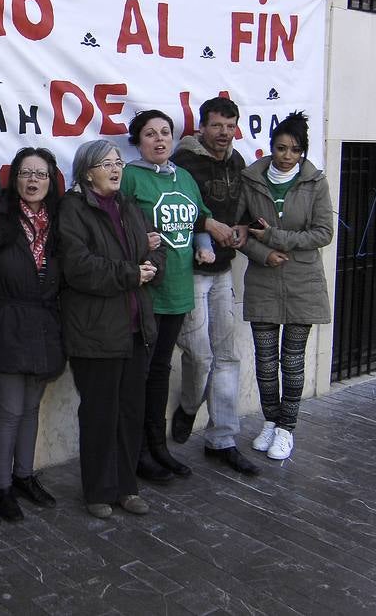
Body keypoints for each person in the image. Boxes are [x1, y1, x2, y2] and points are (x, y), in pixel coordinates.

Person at [121, 110, 235, 483]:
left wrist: (204, 244)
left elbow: (198, 217)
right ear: (138, 141)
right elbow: (113, 226)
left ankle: (158, 447)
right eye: (150, 134)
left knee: (159, 373)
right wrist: (138, 244)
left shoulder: (183, 176)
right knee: (140, 375)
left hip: (179, 291)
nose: (159, 140)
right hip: (146, 293)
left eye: (165, 133)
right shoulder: (129, 178)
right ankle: (137, 452)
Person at [56, 139, 167, 518]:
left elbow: (154, 248)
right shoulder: (73, 209)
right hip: (96, 331)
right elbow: (79, 267)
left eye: (118, 161)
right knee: (101, 414)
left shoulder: (127, 206)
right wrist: (131, 273)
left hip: (136, 329)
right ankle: (98, 492)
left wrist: (151, 265)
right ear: (88, 172)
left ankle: (126, 487)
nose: (116, 168)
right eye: (107, 163)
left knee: (130, 413)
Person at [169, 97, 259, 475]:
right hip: (191, 272)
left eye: (230, 125)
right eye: (217, 125)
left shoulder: (238, 163)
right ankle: (189, 406)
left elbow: (244, 212)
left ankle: (222, 438)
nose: (224, 133)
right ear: (201, 128)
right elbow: (175, 212)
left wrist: (242, 229)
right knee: (200, 355)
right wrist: (205, 231)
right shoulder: (182, 163)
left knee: (227, 356)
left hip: (223, 272)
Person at [239, 112, 334, 461]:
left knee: (291, 361)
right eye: (281, 148)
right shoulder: (251, 180)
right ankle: (269, 420)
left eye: (294, 150)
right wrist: (264, 254)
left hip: (303, 282)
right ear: (271, 148)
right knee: (265, 360)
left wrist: (276, 237)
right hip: (263, 280)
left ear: (303, 153)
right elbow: (240, 231)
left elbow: (324, 233)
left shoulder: (315, 183)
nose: (286, 156)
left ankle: (286, 428)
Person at [0, 148, 66, 521]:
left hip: (45, 325)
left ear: (51, 181)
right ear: (14, 178)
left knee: (32, 408)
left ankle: (24, 476)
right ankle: (1, 487)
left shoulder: (59, 220)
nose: (33, 180)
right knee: (9, 410)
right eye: (25, 173)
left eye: (41, 174)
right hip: (7, 322)